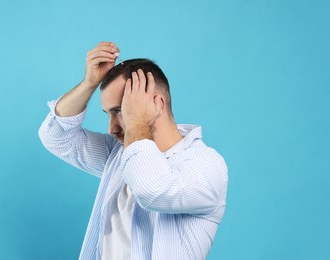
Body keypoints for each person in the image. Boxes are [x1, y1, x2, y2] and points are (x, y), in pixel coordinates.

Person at [38, 42, 228, 260]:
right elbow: (55, 136)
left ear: (157, 104)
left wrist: (137, 119)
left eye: (121, 110)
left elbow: (150, 189)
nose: (111, 129)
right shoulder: (119, 154)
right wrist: (88, 84)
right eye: (108, 114)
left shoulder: (207, 165)